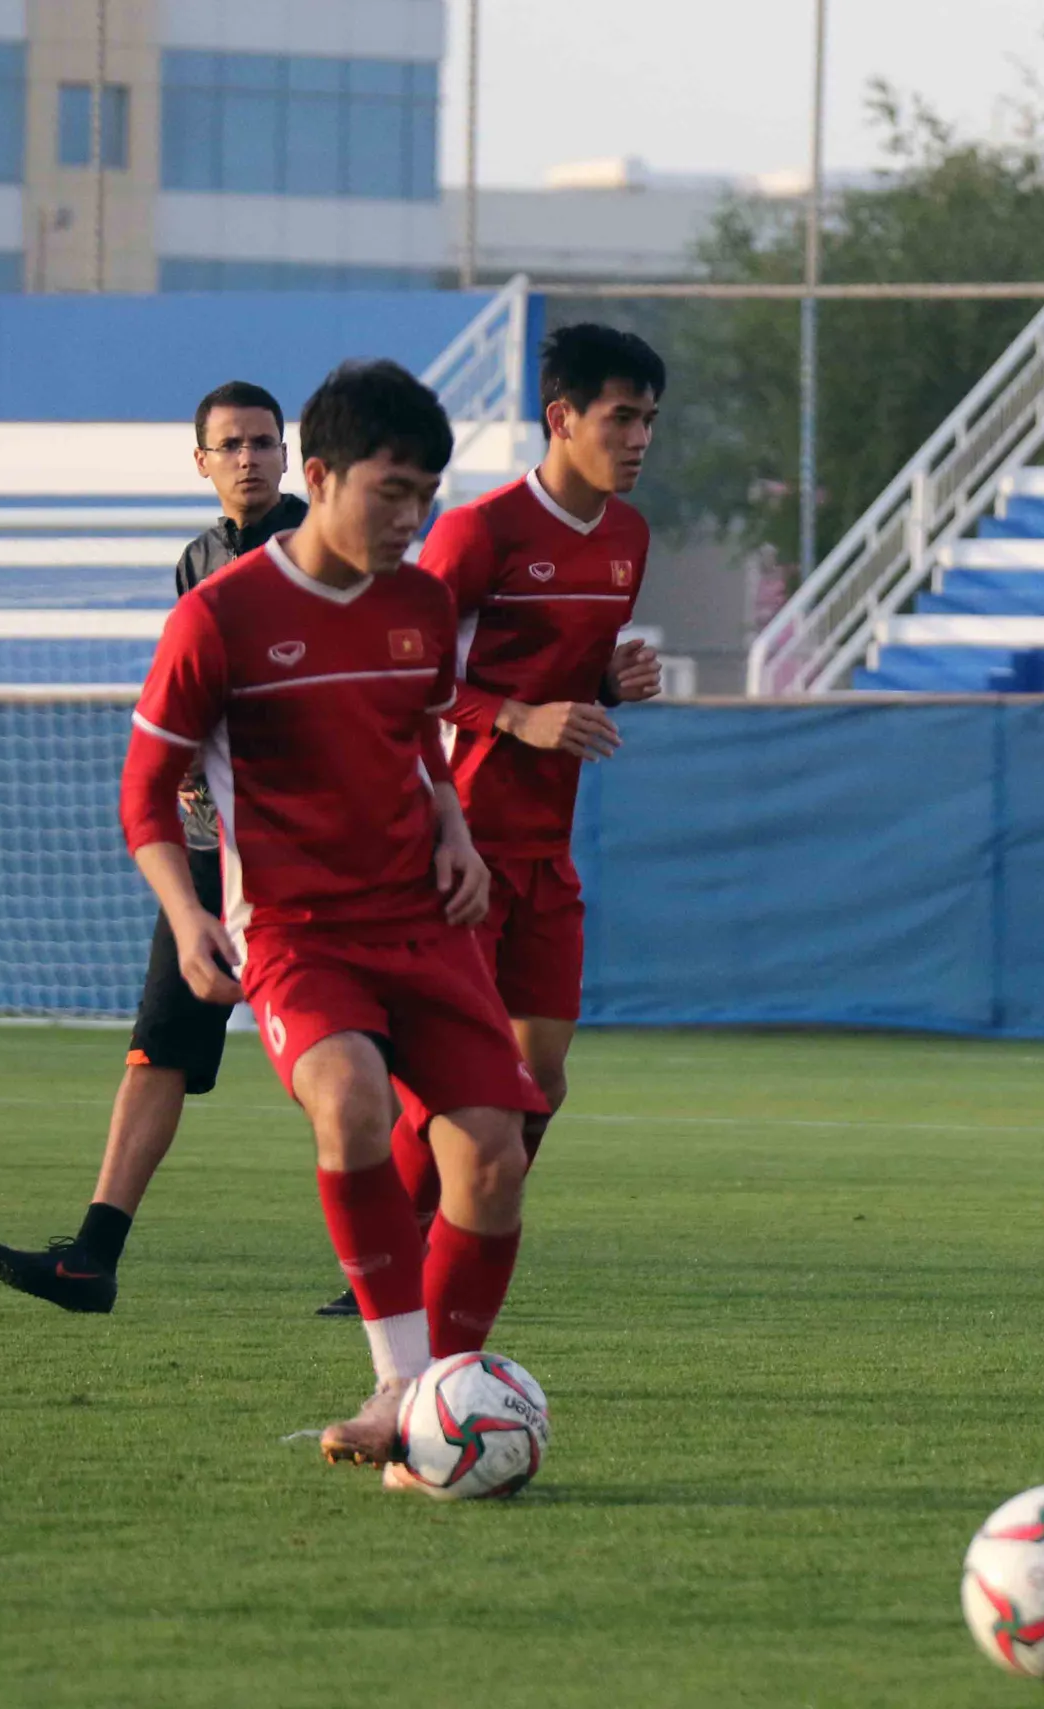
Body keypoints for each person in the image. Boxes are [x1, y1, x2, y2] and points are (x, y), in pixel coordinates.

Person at [117, 359, 548, 1475]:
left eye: (427, 497)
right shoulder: (220, 617)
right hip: (295, 928)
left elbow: (419, 737)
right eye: (390, 493)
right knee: (350, 1098)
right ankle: (401, 1385)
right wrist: (189, 913)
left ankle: (438, 1408)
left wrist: (453, 828)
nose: (411, 519)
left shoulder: (420, 604)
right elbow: (143, 792)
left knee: (495, 1157)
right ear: (321, 477)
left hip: (421, 918)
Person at [0, 381, 309, 1313]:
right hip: (210, 848)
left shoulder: (322, 548)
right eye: (230, 444)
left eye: (263, 441)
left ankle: (403, 1260)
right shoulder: (197, 560)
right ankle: (92, 1256)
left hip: (310, 848)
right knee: (158, 1045)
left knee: (352, 1052)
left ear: (288, 456)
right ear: (200, 461)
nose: (248, 457)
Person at [384, 324, 664, 1227]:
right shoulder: (480, 531)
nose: (639, 439)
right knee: (459, 1077)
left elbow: (558, 677)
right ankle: (389, 1268)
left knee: (539, 1081)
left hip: (546, 848)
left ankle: (445, 1247)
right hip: (458, 843)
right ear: (562, 417)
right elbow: (404, 673)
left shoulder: (629, 536)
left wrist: (605, 683)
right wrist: (513, 715)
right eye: (621, 418)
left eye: (650, 420)